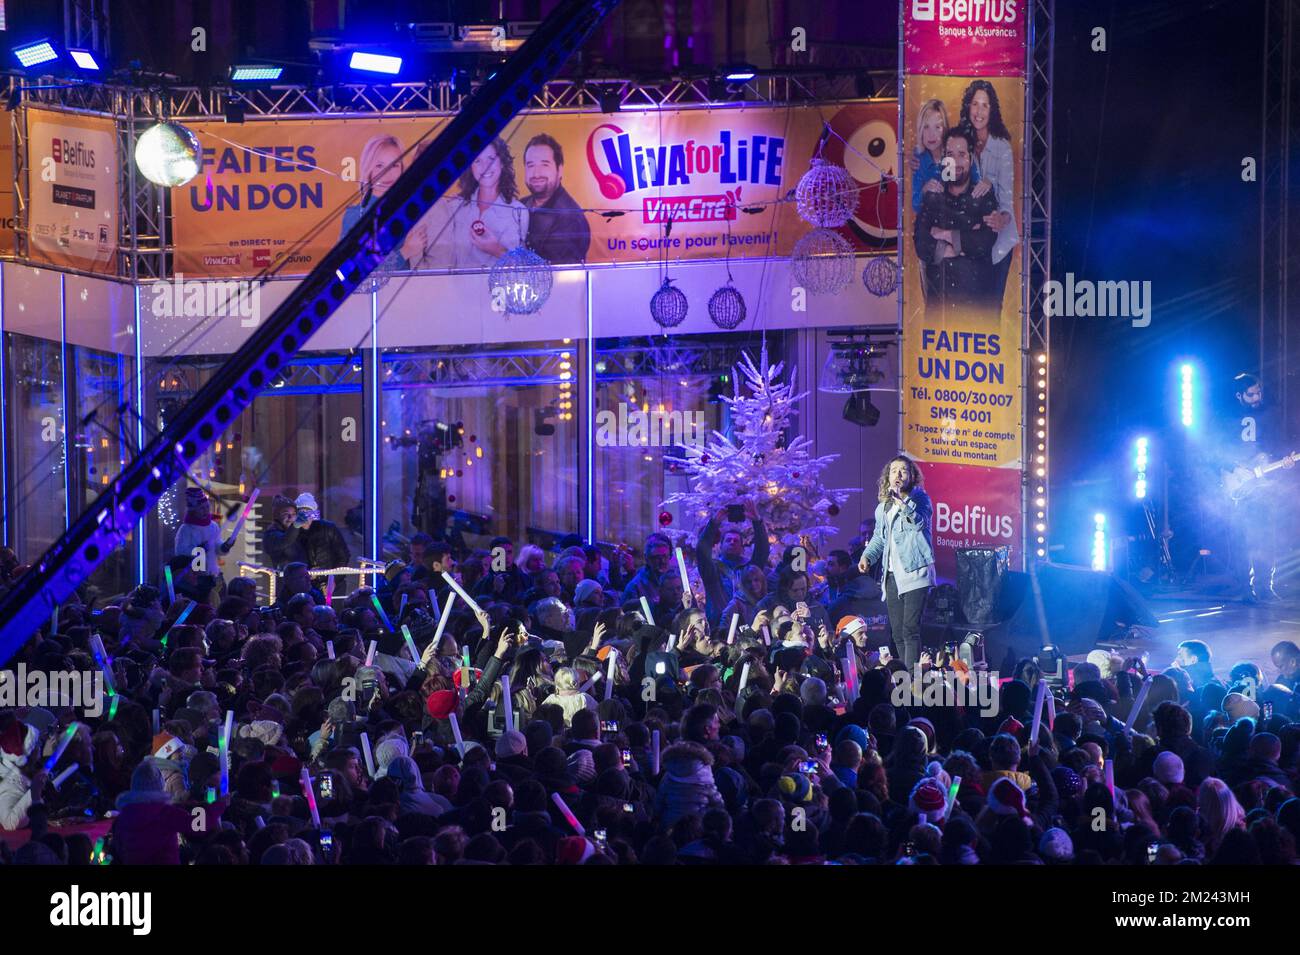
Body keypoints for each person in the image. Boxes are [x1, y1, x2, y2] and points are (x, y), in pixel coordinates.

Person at [1218, 373, 1295, 601]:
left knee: (1265, 537)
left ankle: (1264, 586)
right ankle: (1245, 588)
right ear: (1239, 395)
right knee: (1243, 538)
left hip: (1263, 484)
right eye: (1251, 394)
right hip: (1239, 485)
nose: (1257, 397)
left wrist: (1286, 460)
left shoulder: (1269, 414)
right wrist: (1233, 469)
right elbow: (1213, 449)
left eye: (1259, 391)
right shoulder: (1226, 418)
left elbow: (1278, 447)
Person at [858, 455, 935, 668]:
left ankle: (913, 680)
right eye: (893, 471)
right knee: (898, 631)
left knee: (910, 629)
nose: (897, 475)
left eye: (902, 471)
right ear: (887, 476)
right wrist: (867, 556)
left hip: (915, 573)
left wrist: (902, 503)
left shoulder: (920, 500)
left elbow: (918, 524)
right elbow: (879, 538)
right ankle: (904, 676)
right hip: (891, 576)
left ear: (911, 476)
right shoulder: (883, 507)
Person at [913, 127, 999, 316]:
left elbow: (983, 242)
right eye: (950, 154)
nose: (956, 162)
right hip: (938, 314)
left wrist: (944, 234)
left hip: (976, 314)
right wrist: (963, 240)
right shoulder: (934, 195)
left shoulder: (983, 196)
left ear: (970, 158)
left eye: (961, 155)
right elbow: (921, 243)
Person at [407, 138, 528, 269]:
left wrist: (497, 250)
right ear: (471, 167)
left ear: (502, 162)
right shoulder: (454, 207)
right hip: (457, 288)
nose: (485, 166)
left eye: (491, 159)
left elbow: (526, 268)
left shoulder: (519, 211)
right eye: (477, 161)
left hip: (498, 288)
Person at [958, 80, 1018, 306]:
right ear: (968, 107)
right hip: (970, 241)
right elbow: (945, 175)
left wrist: (1001, 218)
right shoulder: (960, 142)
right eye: (975, 104)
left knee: (991, 310)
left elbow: (1007, 200)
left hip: (998, 246)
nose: (979, 111)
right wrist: (918, 162)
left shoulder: (1002, 147)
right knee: (968, 311)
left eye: (985, 105)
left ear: (992, 110)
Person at [340, 134, 410, 270]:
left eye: (395, 165)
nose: (388, 174)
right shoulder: (355, 215)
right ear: (368, 169)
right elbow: (354, 270)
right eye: (379, 166)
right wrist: (405, 252)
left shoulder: (413, 204)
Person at [521, 133, 590, 264]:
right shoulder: (520, 205)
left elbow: (552, 275)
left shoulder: (570, 218)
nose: (536, 174)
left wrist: (499, 251)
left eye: (544, 165)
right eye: (530, 165)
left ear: (560, 169)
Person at [909, 98, 980, 214]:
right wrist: (924, 190)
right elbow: (916, 206)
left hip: (962, 218)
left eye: (937, 127)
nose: (931, 135)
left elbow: (977, 188)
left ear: (945, 128)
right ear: (920, 130)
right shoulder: (919, 157)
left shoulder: (958, 150)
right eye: (926, 127)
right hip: (934, 222)